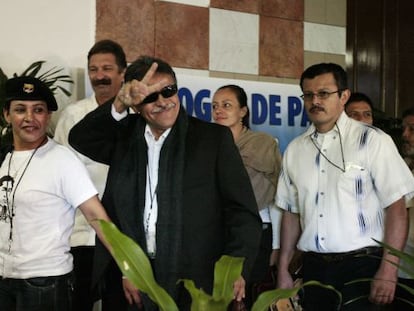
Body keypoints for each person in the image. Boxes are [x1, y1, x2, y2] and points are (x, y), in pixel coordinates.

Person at [68, 55, 262, 311]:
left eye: (168, 91)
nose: (162, 102)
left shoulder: (212, 139)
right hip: (132, 275)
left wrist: (236, 268)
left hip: (196, 278)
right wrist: (118, 103)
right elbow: (81, 138)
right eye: (150, 97)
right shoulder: (125, 135)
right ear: (136, 105)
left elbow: (242, 212)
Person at [276, 62, 414, 310]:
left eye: (324, 93)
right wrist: (284, 270)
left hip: (363, 266)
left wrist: (389, 269)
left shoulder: (373, 141)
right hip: (314, 268)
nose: (315, 101)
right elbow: (290, 212)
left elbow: (397, 208)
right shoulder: (295, 150)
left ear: (344, 96)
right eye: (308, 95)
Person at [0, 76, 112, 311]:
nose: (29, 118)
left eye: (38, 110)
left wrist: (129, 268)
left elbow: (97, 217)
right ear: (7, 115)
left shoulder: (62, 160)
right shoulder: (4, 158)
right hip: (4, 279)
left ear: (47, 116)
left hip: (45, 283)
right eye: (20, 110)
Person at [54, 39, 127, 311]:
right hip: (81, 235)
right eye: (93, 69)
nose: (99, 76)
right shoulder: (73, 115)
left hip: (125, 236)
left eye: (107, 68)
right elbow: (59, 175)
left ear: (123, 73)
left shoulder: (137, 116)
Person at [212, 84, 282, 307]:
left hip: (256, 233)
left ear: (243, 111)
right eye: (214, 106)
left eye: (226, 105)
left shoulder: (263, 143)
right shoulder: (207, 145)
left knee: (247, 297)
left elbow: (279, 195)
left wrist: (277, 246)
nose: (219, 110)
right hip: (217, 234)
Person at [392, 107, 414, 309]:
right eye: (404, 128)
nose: (405, 135)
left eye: (412, 129)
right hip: (397, 271)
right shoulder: (401, 168)